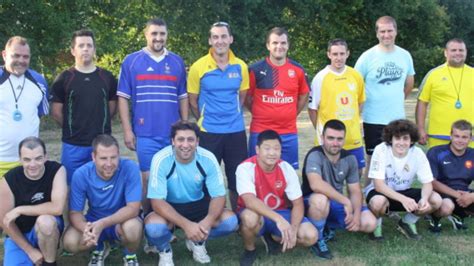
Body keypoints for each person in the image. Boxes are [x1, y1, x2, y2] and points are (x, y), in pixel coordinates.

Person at [117, 18, 188, 211]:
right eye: (154, 33)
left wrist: (184, 125)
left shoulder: (176, 61)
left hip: (172, 134)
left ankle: (169, 223)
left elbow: (182, 96)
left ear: (167, 36)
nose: (158, 37)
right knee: (148, 179)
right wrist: (127, 130)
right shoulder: (132, 61)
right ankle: (149, 221)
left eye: (162, 34)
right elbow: (123, 98)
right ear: (146, 34)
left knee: (172, 178)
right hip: (145, 133)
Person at [145, 121, 238, 266]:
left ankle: (198, 241)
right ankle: (165, 251)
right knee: (154, 228)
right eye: (180, 139)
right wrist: (187, 225)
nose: (186, 144)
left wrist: (206, 222)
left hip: (198, 205)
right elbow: (157, 202)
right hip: (169, 206)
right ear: (173, 142)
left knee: (230, 222)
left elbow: (219, 196)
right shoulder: (160, 159)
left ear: (197, 142)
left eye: (190, 139)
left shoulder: (207, 158)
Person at [188, 21, 249, 210]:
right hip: (208, 131)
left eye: (223, 36)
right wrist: (208, 117)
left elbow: (242, 96)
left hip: (235, 131)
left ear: (231, 39)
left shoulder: (241, 66)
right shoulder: (198, 67)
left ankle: (241, 219)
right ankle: (208, 219)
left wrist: (230, 116)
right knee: (206, 178)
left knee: (237, 179)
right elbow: (193, 101)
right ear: (210, 40)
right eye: (215, 37)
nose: (220, 41)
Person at [237, 130, 317, 266]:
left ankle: (275, 239)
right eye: (267, 148)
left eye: (276, 149)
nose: (272, 153)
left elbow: (298, 204)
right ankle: (250, 250)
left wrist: (293, 228)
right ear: (257, 149)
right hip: (256, 213)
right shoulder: (245, 168)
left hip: (280, 211)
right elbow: (250, 201)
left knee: (311, 236)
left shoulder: (286, 168)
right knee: (249, 218)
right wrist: (279, 220)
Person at [62, 134, 142, 266]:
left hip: (122, 220)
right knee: (70, 242)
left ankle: (129, 254)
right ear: (93, 157)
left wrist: (103, 224)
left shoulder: (130, 167)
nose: (109, 164)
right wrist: (86, 229)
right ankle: (99, 248)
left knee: (133, 228)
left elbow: (133, 209)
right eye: (103, 158)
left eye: (113, 157)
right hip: (94, 220)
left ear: (119, 155)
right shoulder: (81, 174)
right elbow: (75, 213)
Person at [302, 119, 376, 260]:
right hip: (311, 203)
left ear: (344, 139)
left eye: (339, 139)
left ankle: (328, 227)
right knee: (320, 199)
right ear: (322, 138)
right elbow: (316, 185)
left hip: (335, 203)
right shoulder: (314, 154)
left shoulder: (350, 158)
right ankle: (318, 238)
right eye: (330, 138)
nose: (335, 143)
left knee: (369, 223)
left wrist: (356, 214)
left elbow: (354, 190)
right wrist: (345, 201)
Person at [51, 29, 117, 184]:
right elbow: (56, 112)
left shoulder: (107, 77)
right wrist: (73, 127)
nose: (86, 48)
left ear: (94, 49)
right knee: (70, 188)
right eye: (81, 45)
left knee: (103, 188)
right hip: (73, 145)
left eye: (89, 45)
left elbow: (112, 108)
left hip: (102, 144)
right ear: (73, 50)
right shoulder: (64, 78)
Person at [354, 16, 415, 184]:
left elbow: (409, 83)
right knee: (373, 160)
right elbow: (355, 85)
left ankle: (390, 202)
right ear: (377, 33)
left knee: (395, 159)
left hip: (397, 118)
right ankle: (368, 198)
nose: (386, 34)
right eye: (382, 31)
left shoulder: (405, 55)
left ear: (395, 32)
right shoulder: (367, 57)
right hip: (373, 118)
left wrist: (396, 99)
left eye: (389, 31)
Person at [365, 119, 442, 240]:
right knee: (377, 202)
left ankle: (407, 222)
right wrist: (404, 199)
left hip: (404, 192)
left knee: (435, 200)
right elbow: (378, 185)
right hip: (381, 192)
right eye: (397, 138)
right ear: (391, 139)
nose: (401, 142)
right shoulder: (381, 150)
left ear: (411, 140)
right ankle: (376, 224)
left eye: (405, 138)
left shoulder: (418, 153)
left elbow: (427, 183)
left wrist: (425, 199)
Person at [246, 27, 309, 169]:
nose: (279, 47)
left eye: (283, 43)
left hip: (288, 133)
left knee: (288, 175)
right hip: (260, 131)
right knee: (257, 175)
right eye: (275, 43)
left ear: (288, 45)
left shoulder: (298, 70)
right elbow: (247, 97)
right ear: (268, 45)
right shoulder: (255, 70)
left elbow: (304, 94)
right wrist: (258, 111)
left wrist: (292, 113)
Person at [0, 137, 67, 265]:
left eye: (38, 158)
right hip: (20, 234)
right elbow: (5, 221)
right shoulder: (9, 180)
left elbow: (57, 207)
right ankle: (31, 253)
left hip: (47, 229)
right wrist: (30, 250)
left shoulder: (57, 170)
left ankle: (49, 262)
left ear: (45, 157)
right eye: (27, 159)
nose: (33, 164)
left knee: (45, 222)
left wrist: (20, 209)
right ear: (20, 159)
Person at [308, 39, 366, 172]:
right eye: (335, 54)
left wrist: (352, 122)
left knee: (357, 174)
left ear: (348, 54)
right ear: (329, 54)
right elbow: (312, 109)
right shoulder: (320, 78)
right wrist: (323, 132)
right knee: (330, 178)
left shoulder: (356, 75)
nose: (338, 58)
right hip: (330, 140)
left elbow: (360, 101)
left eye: (341, 54)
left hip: (353, 137)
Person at [0, 36, 49, 178]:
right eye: (16, 55)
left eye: (25, 57)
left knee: (27, 201)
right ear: (4, 55)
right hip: (1, 160)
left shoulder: (39, 81)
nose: (21, 61)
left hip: (29, 162)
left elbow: (40, 113)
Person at [416, 38, 474, 148]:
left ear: (466, 52)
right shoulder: (433, 74)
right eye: (453, 50)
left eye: (461, 50)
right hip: (439, 137)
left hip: (469, 137)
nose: (457, 53)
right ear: (446, 52)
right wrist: (420, 129)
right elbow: (422, 103)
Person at [427, 120, 474, 232]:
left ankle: (458, 214)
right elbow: (432, 181)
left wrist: (472, 196)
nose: (460, 140)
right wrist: (458, 195)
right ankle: (435, 218)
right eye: (456, 136)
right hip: (441, 193)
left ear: (471, 138)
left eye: (464, 137)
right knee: (446, 207)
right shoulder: (436, 152)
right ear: (450, 136)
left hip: (465, 193)